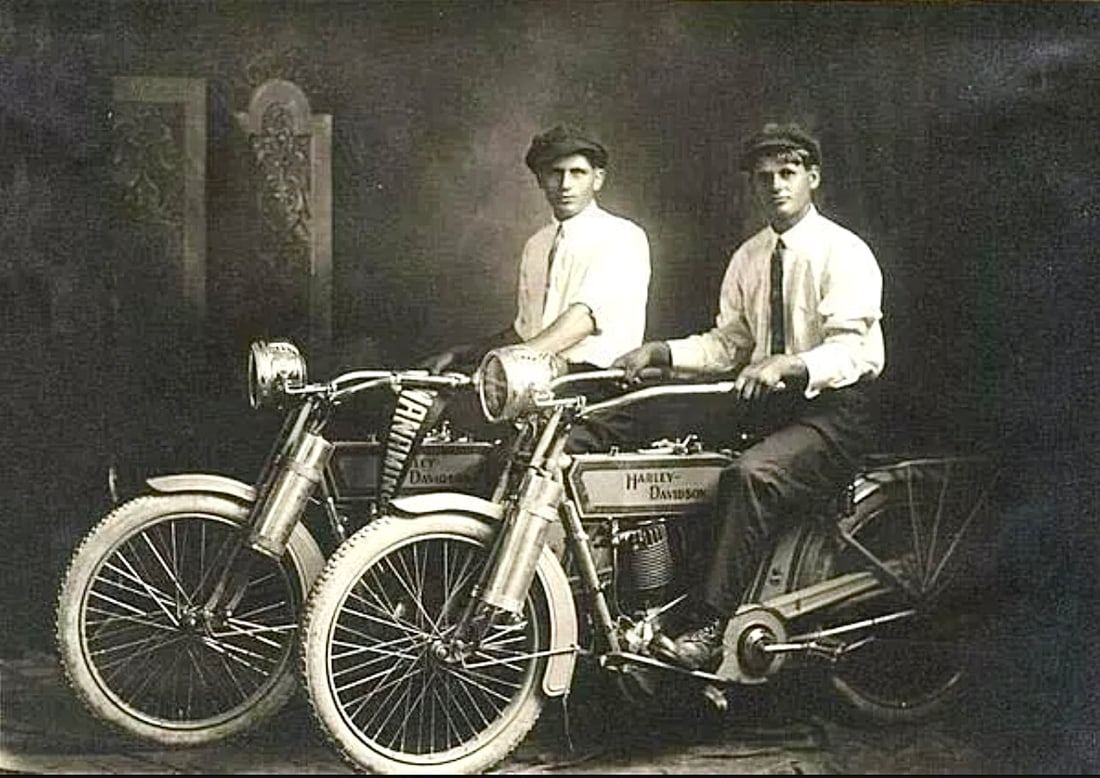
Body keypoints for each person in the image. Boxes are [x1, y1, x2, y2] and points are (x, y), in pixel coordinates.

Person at [612, 122, 885, 671]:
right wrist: (661, 352)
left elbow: (855, 352)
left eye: (788, 174)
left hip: (837, 413)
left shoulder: (843, 252)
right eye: (764, 179)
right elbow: (728, 343)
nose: (776, 186)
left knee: (750, 476)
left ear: (813, 178)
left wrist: (791, 364)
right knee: (665, 446)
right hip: (770, 409)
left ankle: (710, 629)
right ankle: (656, 605)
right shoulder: (750, 257)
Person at [422, 123, 652, 452]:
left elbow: (582, 320)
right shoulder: (537, 245)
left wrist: (505, 364)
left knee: (516, 457)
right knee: (448, 426)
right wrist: (463, 354)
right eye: (555, 173)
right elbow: (525, 331)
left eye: (578, 173)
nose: (565, 184)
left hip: (598, 395)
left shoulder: (622, 237)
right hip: (540, 389)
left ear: (597, 179)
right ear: (541, 180)